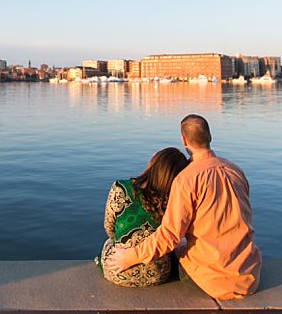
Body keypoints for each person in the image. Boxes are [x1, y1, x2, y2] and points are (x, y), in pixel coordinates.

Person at [107, 114, 262, 299]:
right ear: (209, 137)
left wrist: (131, 257)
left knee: (173, 250)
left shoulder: (186, 180)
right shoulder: (236, 171)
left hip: (210, 280)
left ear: (184, 140)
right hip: (249, 275)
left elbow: (169, 236)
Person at [96, 147, 190, 287]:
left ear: (153, 163)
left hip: (118, 271)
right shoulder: (175, 199)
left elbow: (109, 228)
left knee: (108, 242)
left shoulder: (121, 188)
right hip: (159, 274)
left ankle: (100, 261)